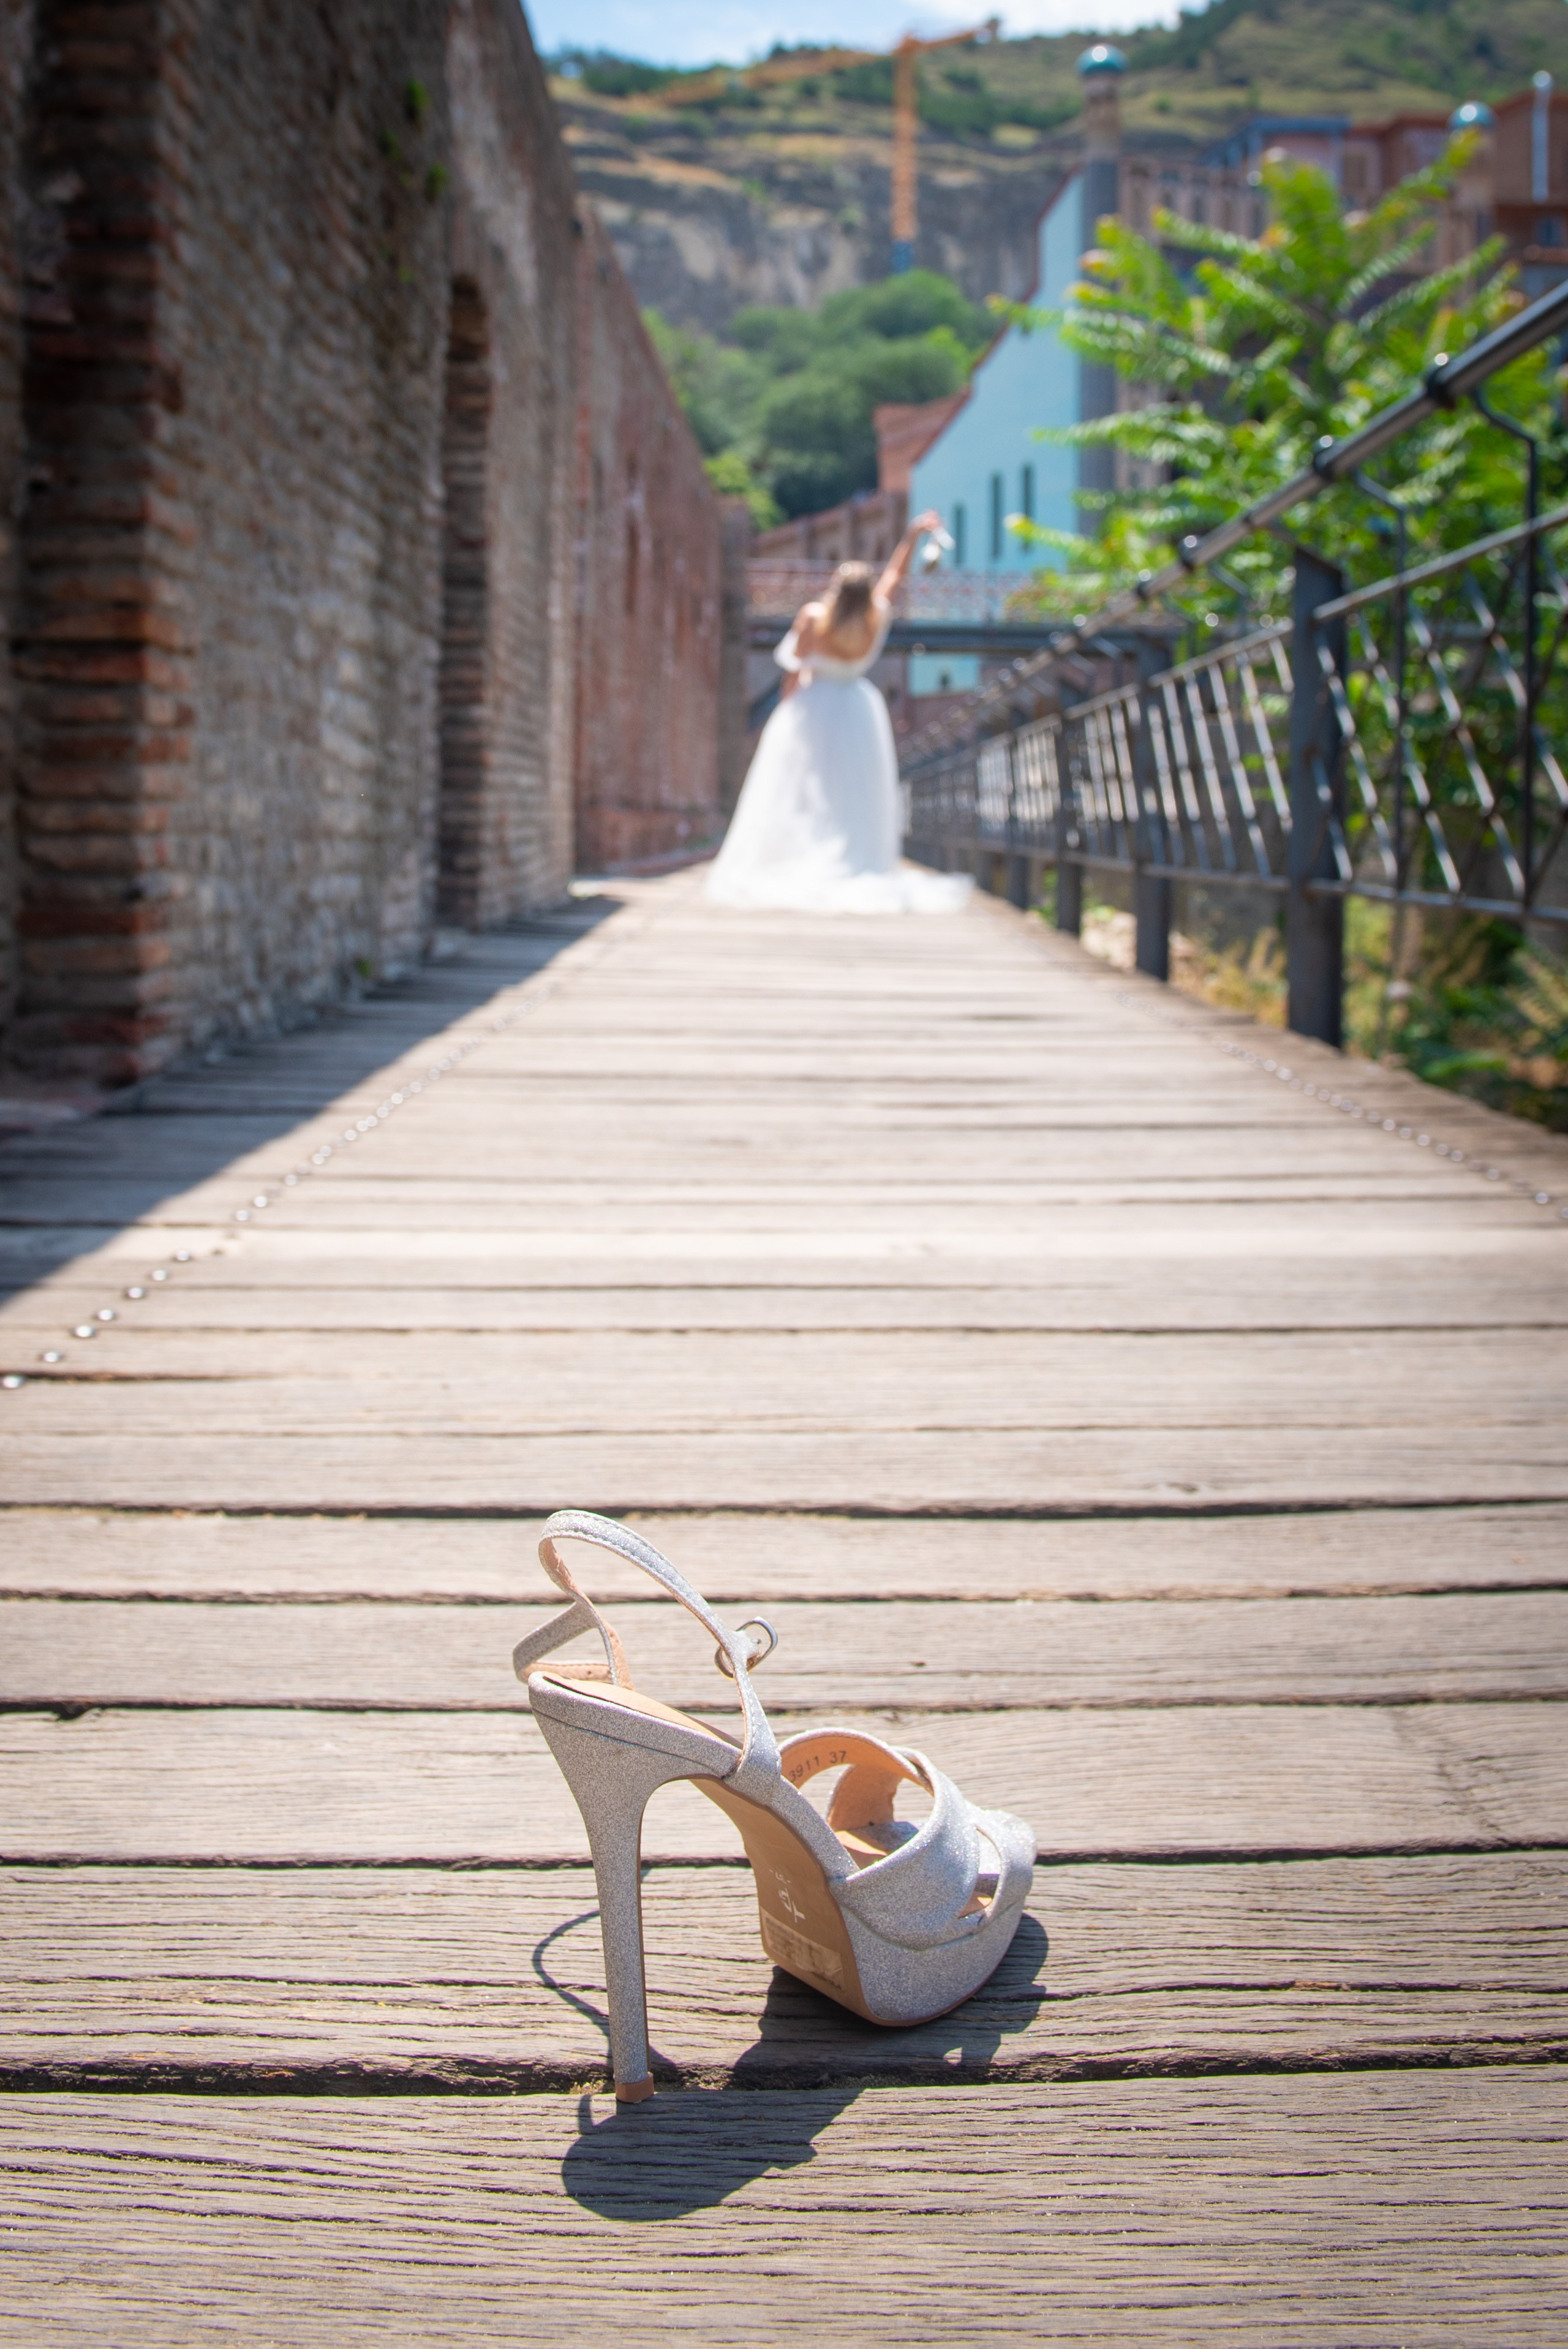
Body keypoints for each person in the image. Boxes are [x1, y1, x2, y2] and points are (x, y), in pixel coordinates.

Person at [705, 510, 971, 913]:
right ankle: (852, 857)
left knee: (802, 788)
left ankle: (799, 857)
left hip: (814, 704)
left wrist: (786, 711)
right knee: (853, 790)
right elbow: (895, 577)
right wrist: (914, 535)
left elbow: (794, 670)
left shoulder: (814, 617)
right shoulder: (874, 617)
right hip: (857, 708)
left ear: (836, 587)